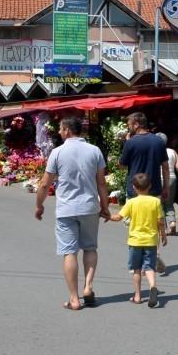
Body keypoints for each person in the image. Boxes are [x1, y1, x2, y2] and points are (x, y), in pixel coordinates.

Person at [34, 116, 110, 311]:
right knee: (90, 248)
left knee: (69, 252)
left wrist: (39, 205)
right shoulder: (95, 151)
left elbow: (45, 183)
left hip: (66, 209)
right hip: (89, 207)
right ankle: (88, 286)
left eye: (60, 129)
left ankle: (74, 299)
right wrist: (105, 206)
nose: (59, 132)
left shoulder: (57, 153)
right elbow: (101, 182)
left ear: (67, 130)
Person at [119, 112, 170, 272]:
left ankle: (137, 263)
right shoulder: (159, 141)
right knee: (152, 225)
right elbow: (165, 166)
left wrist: (127, 143)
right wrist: (166, 186)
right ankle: (153, 257)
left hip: (134, 190)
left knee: (135, 226)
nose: (128, 127)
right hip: (154, 188)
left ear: (136, 124)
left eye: (129, 124)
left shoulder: (131, 143)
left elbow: (122, 164)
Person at [108, 173, 167, 307]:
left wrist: (106, 215)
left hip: (135, 241)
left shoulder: (131, 202)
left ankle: (138, 296)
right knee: (150, 267)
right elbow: (160, 222)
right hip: (151, 241)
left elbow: (118, 217)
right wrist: (163, 235)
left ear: (134, 187)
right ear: (150, 186)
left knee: (136, 270)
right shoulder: (156, 202)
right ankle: (153, 286)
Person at [156, 132, 178, 236]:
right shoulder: (172, 151)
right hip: (172, 179)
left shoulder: (155, 152)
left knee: (160, 205)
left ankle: (163, 228)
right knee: (169, 203)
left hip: (159, 179)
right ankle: (172, 222)